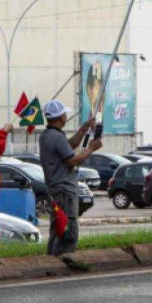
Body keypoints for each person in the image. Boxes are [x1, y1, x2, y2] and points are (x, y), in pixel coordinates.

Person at [38, 99, 102, 257]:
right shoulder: (56, 137)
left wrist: (84, 127)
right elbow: (72, 160)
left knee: (57, 229)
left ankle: (51, 261)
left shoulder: (48, 135)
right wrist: (91, 149)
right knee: (68, 231)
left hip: (56, 190)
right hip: (65, 191)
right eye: (64, 114)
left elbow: (70, 144)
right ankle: (63, 262)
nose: (66, 116)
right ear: (61, 117)